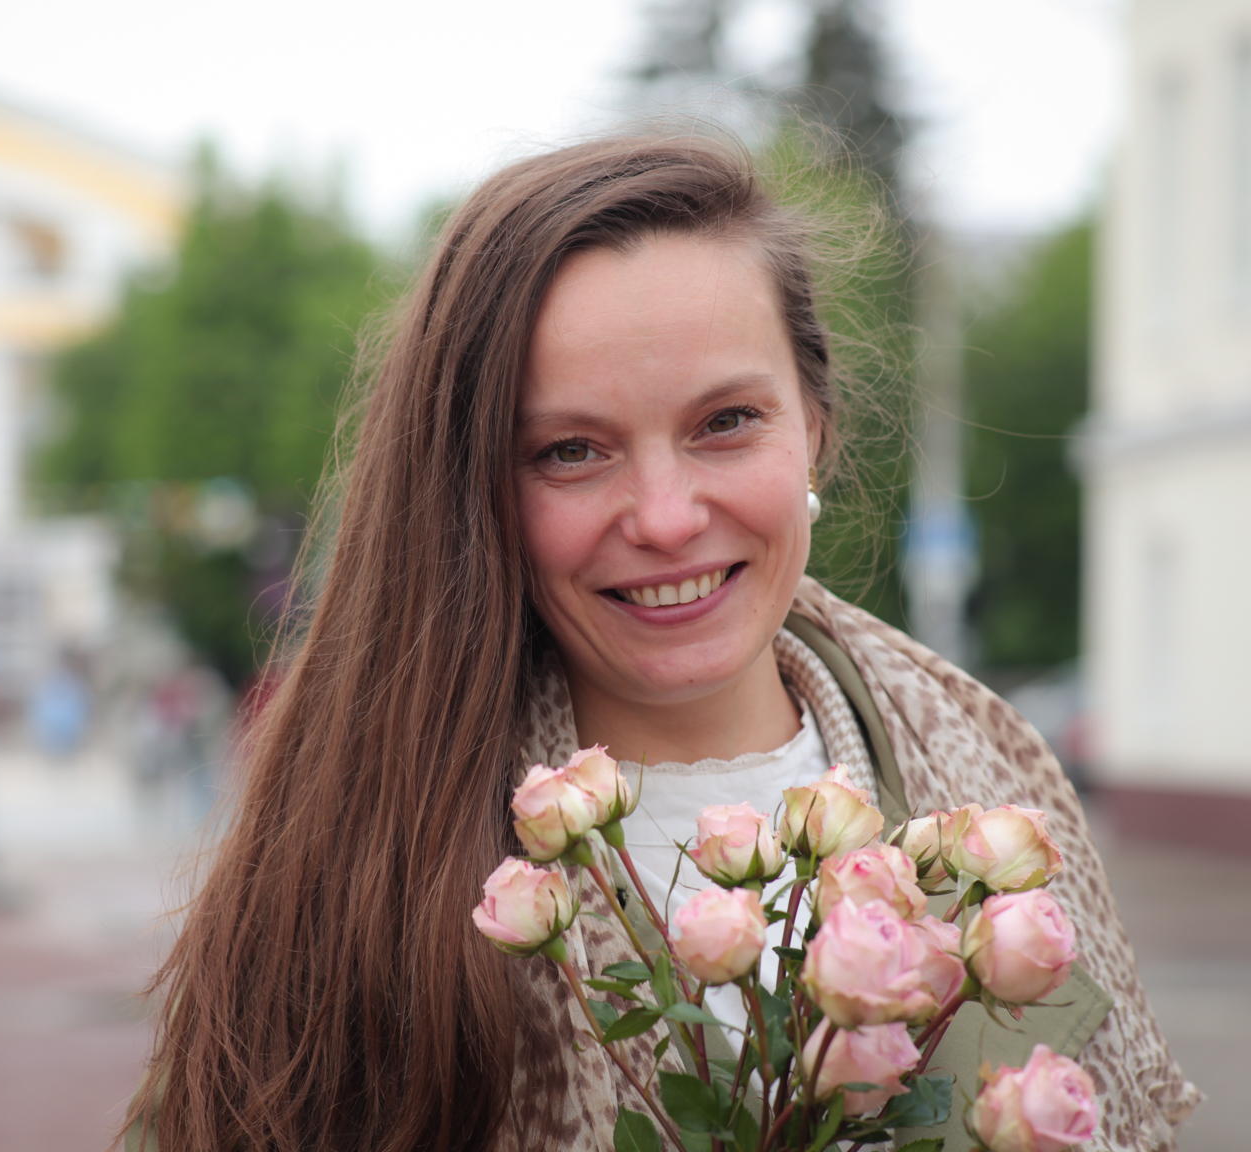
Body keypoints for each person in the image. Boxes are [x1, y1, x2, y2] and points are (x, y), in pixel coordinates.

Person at [126, 135, 1198, 1151]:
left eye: (725, 422)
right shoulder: (359, 867)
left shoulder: (999, 785)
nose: (667, 517)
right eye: (571, 450)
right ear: (474, 491)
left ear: (815, 426)